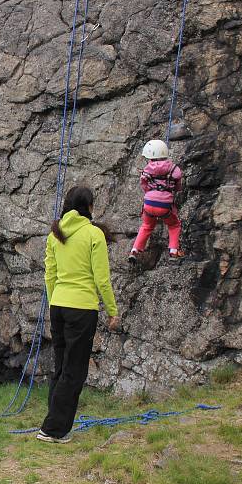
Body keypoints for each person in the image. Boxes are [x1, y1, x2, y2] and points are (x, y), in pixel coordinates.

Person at [37, 186, 119, 444]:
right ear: (89, 206)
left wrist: (55, 301)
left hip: (58, 305)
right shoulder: (93, 234)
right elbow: (102, 279)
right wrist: (113, 311)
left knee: (61, 367)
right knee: (74, 370)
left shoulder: (55, 234)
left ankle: (55, 423)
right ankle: (53, 429)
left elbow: (49, 274)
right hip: (82, 308)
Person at [128, 139, 185, 262]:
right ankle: (173, 251)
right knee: (174, 225)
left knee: (147, 225)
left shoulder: (147, 170)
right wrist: (173, 189)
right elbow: (178, 185)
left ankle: (135, 250)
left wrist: (151, 192)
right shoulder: (174, 169)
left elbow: (144, 186)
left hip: (148, 204)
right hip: (165, 205)